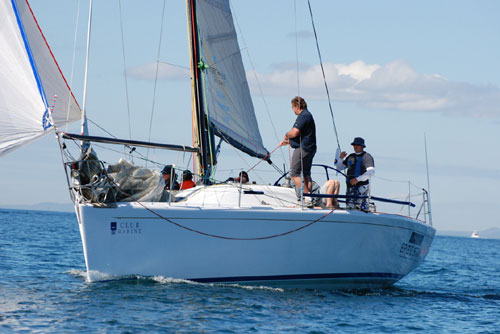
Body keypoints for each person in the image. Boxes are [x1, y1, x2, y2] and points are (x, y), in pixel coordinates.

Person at [280, 96, 317, 207]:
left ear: (297, 106)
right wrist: (289, 143)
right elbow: (304, 135)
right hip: (310, 148)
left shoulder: (303, 116)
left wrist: (287, 134)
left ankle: (306, 196)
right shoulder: (308, 115)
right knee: (306, 173)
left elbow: (295, 132)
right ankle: (308, 198)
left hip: (303, 149)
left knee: (294, 173)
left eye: (293, 107)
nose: (293, 110)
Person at [335, 137, 375, 211]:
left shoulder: (367, 156)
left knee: (358, 207)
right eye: (354, 145)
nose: (355, 147)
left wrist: (357, 179)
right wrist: (341, 158)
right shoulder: (351, 156)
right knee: (349, 207)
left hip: (361, 187)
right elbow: (340, 168)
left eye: (357, 145)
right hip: (350, 188)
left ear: (362, 146)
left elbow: (371, 171)